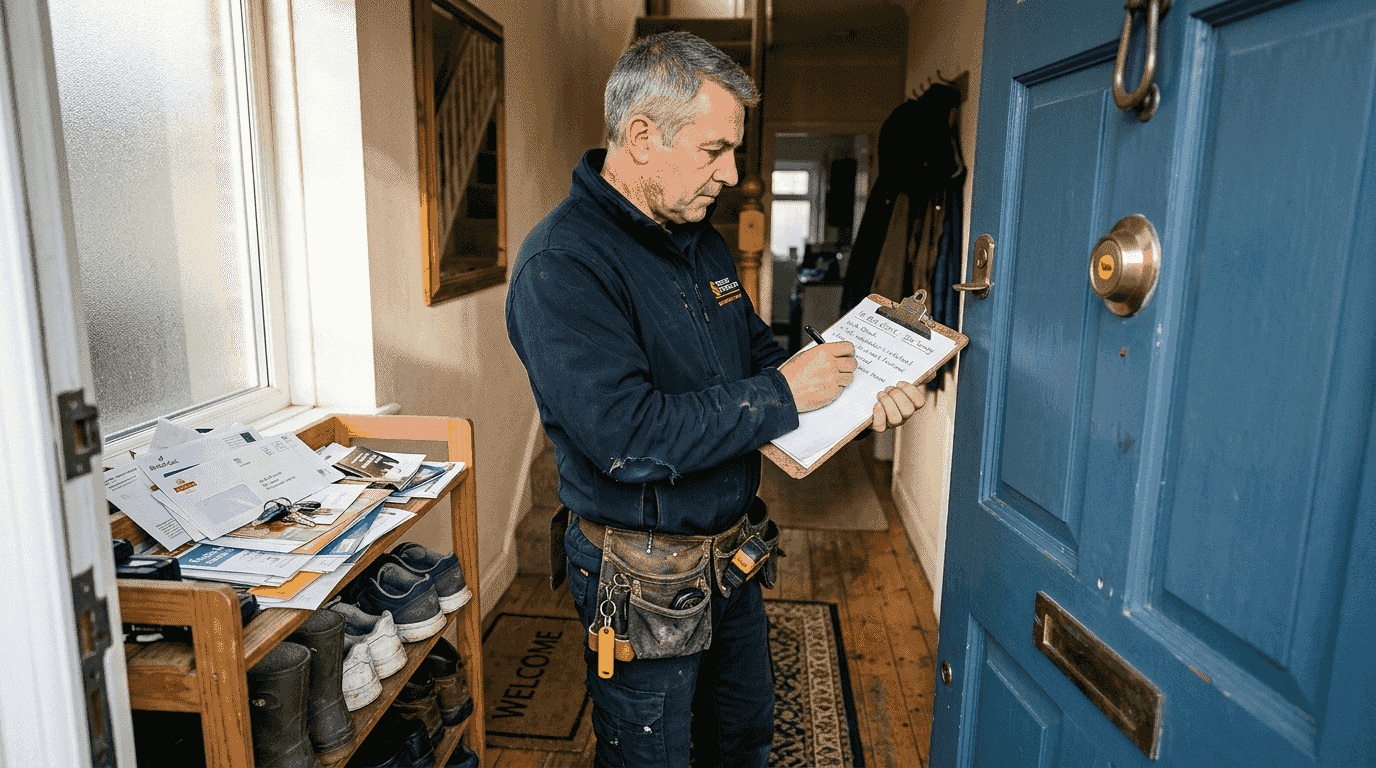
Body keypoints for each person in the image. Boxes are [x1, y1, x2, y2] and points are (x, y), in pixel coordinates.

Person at [505, 31, 925, 768]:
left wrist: (862, 383)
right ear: (641, 136)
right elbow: (627, 438)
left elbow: (758, 354)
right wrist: (782, 392)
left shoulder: (699, 237)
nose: (732, 173)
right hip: (641, 580)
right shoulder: (563, 265)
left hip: (733, 558)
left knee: (743, 741)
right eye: (714, 150)